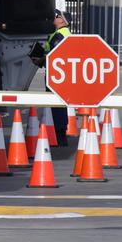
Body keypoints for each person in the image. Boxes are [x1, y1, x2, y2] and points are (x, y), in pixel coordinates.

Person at [31, 8, 72, 146]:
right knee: (59, 104)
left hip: (56, 75)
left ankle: (60, 135)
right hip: (61, 74)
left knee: (57, 104)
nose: (55, 17)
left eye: (57, 16)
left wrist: (41, 60)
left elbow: (55, 55)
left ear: (62, 20)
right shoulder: (62, 34)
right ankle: (60, 133)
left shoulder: (60, 35)